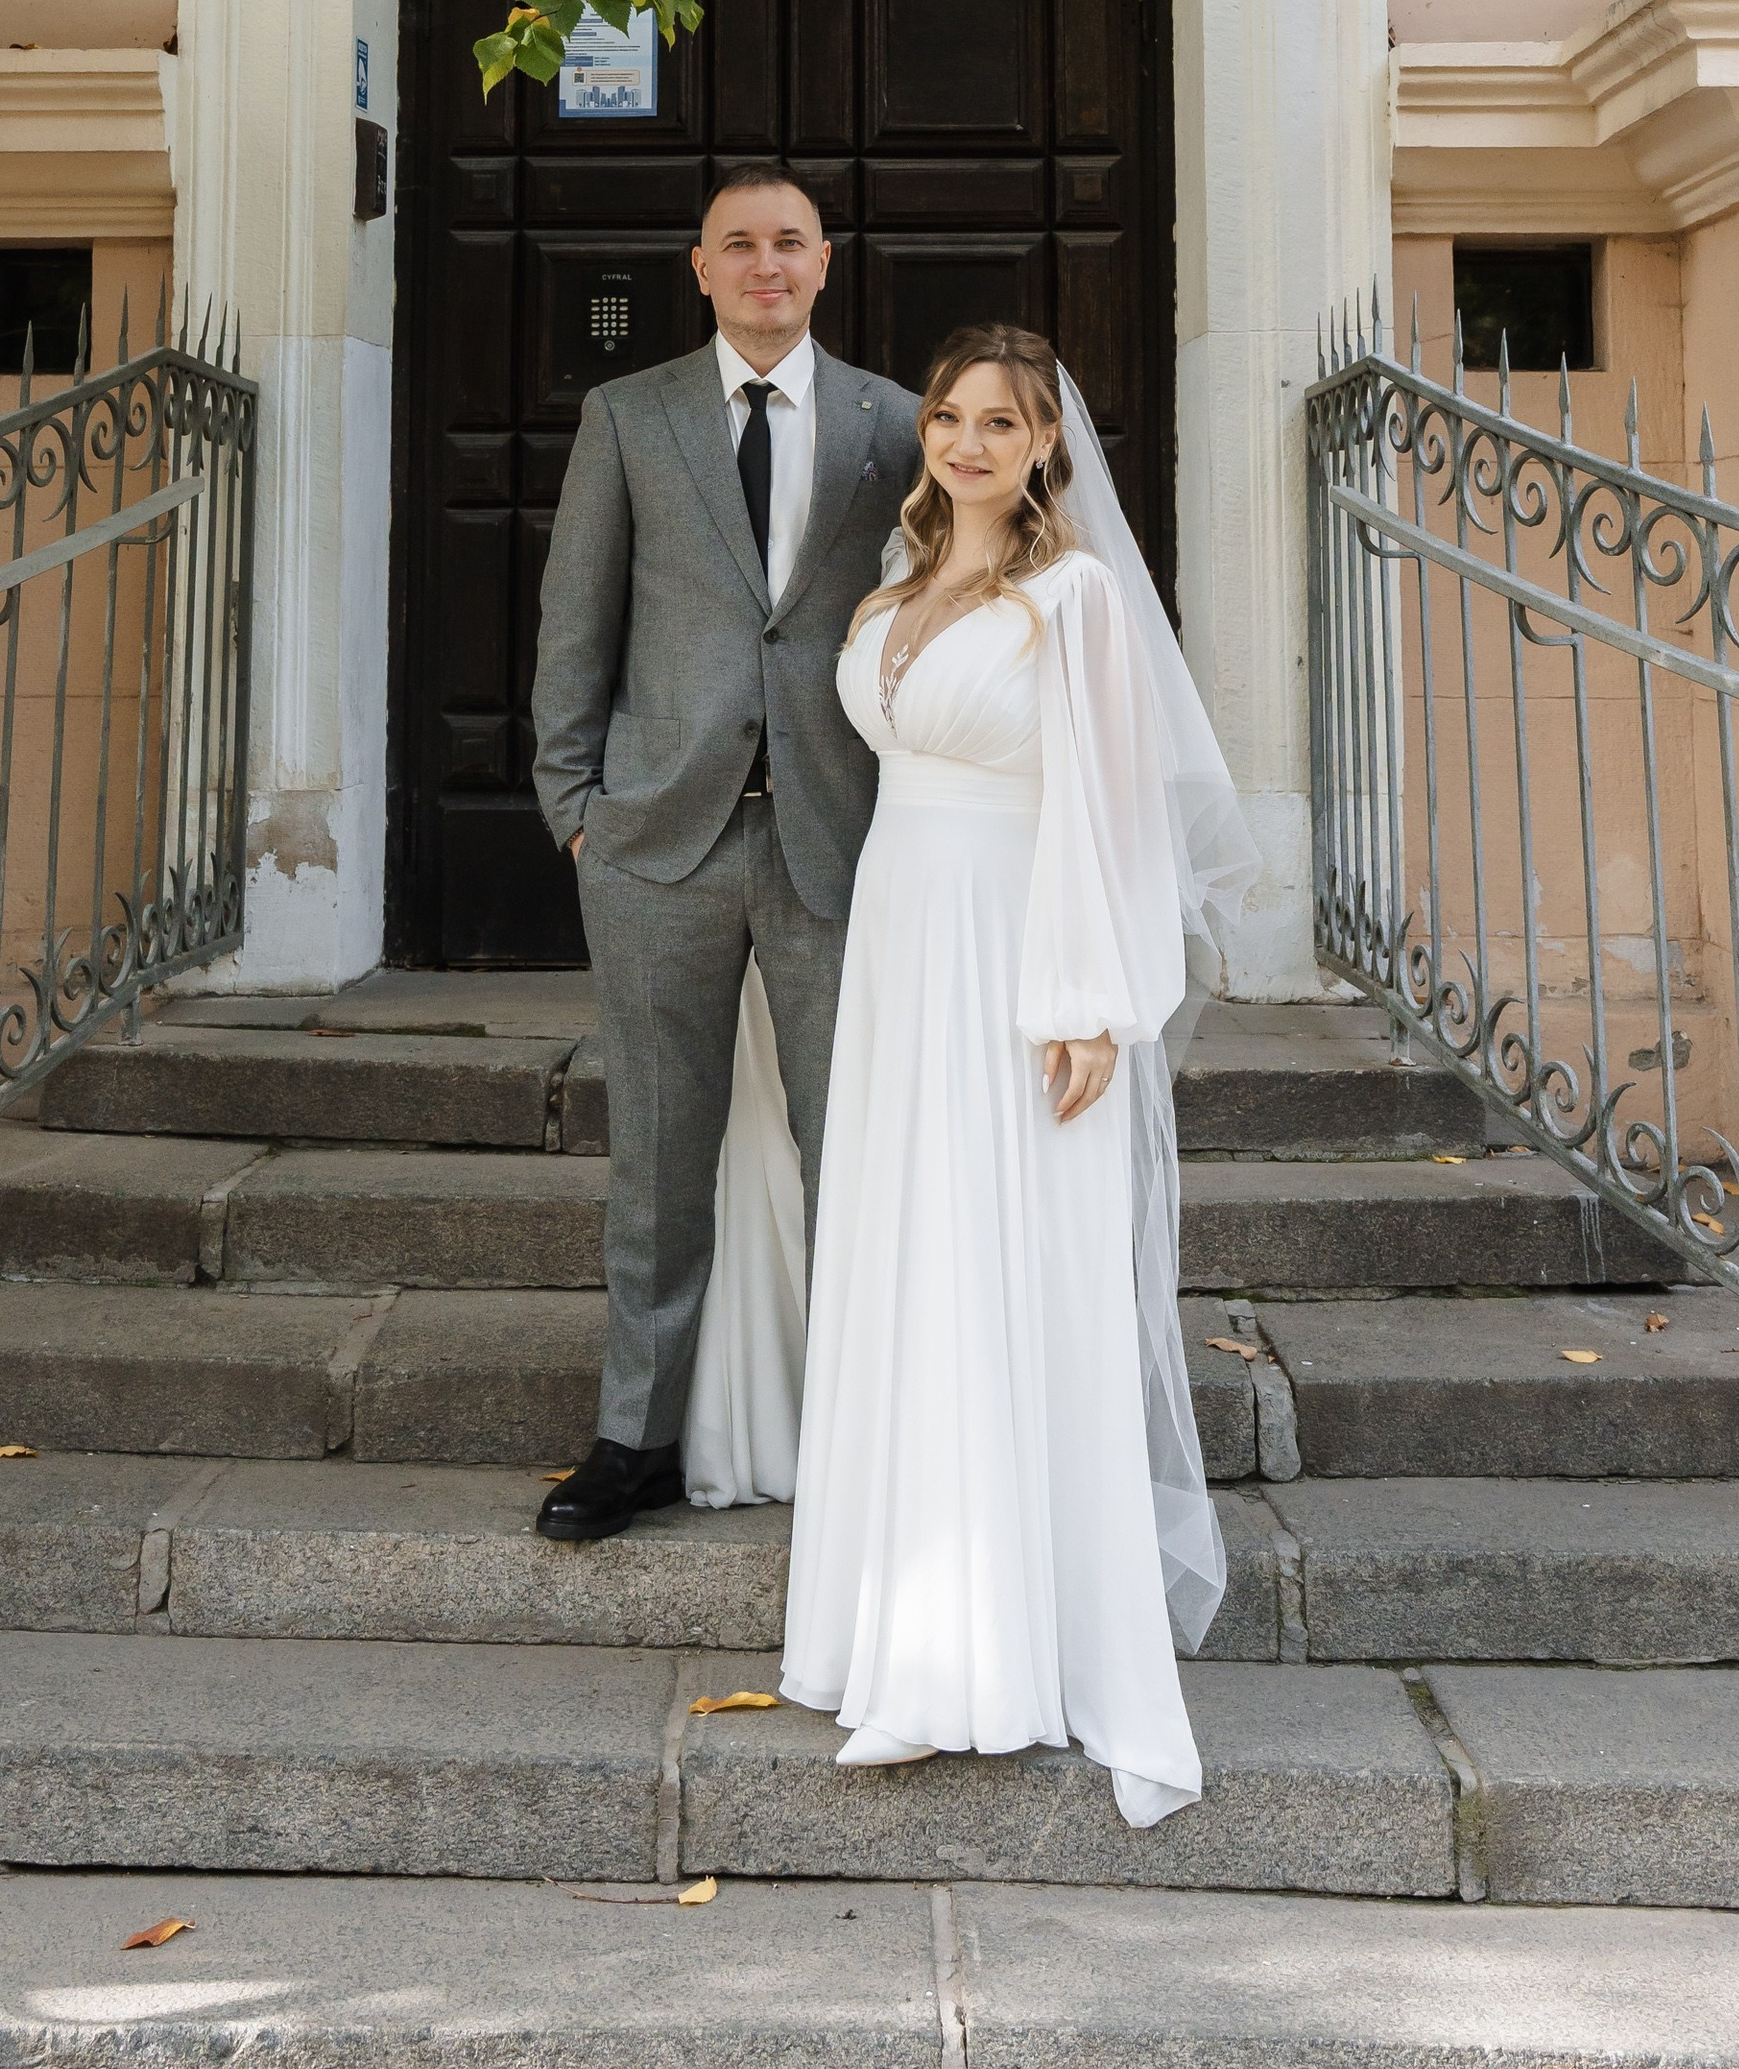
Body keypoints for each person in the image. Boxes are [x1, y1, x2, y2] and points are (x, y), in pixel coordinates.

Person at [779, 324, 1259, 1829]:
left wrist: (1086, 1004)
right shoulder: (896, 587)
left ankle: (983, 1657)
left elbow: (1111, 813)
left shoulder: (1077, 598)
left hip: (1014, 958)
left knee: (994, 1273)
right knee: (908, 1266)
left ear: (1047, 443)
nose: (969, 442)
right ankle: (891, 1627)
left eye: (1003, 421)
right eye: (950, 416)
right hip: (901, 947)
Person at [528, 166, 923, 1544]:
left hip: (839, 837)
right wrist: (573, 804)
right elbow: (576, 617)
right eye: (739, 245)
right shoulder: (628, 417)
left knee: (852, 1151)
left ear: (825, 263)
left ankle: (868, 1441)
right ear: (700, 268)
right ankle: (634, 1439)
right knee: (656, 1155)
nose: (766, 265)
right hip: (656, 841)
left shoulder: (898, 423)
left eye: (789, 243)